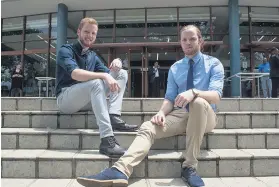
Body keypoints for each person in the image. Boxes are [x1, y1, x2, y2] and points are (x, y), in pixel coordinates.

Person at [76, 25, 224, 187]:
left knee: (198, 102)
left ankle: (189, 166)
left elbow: (216, 97)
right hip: (181, 114)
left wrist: (194, 92)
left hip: (206, 115)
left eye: (192, 39)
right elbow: (169, 98)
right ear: (180, 43)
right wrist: (161, 112)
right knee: (148, 126)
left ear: (200, 41)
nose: (188, 43)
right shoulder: (176, 68)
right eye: (184, 40)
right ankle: (120, 170)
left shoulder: (213, 63)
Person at [56, 17, 138, 158]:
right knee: (96, 82)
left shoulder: (92, 55)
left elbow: (110, 75)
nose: (90, 36)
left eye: (93, 33)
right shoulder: (66, 50)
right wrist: (104, 76)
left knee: (121, 73)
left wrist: (117, 62)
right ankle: (107, 140)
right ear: (79, 31)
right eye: (87, 32)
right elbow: (75, 74)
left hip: (86, 100)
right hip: (66, 99)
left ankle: (113, 115)